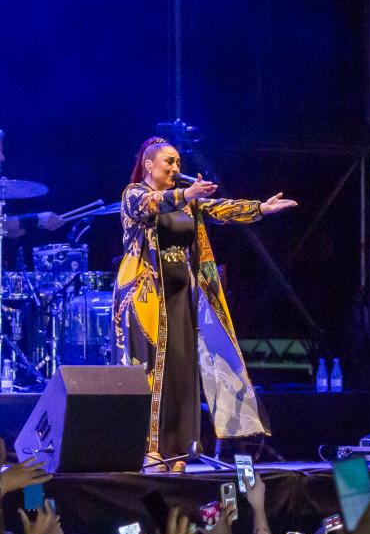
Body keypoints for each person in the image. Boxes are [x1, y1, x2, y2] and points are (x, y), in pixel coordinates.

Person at [113, 137, 296, 471]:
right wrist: (185, 193)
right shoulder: (134, 194)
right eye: (169, 162)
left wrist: (260, 209)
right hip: (147, 295)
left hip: (182, 293)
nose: (175, 168)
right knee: (154, 372)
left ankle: (179, 450)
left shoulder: (188, 203)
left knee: (184, 374)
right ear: (149, 165)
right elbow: (151, 205)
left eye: (179, 163)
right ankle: (151, 449)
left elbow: (220, 208)